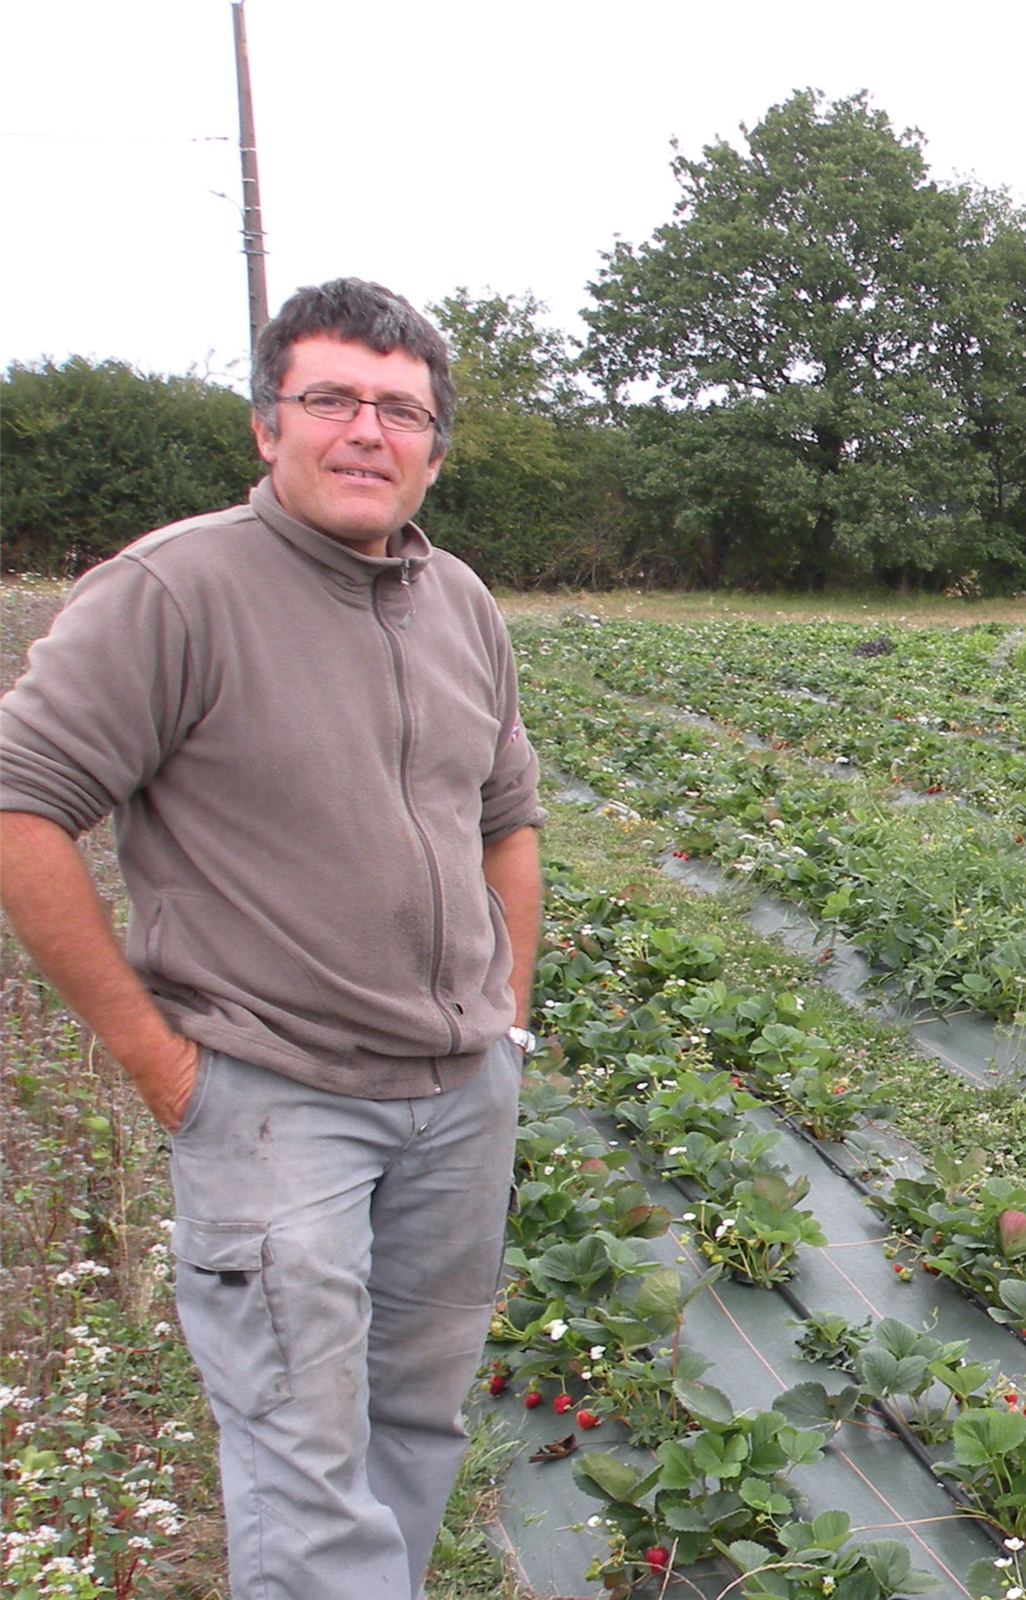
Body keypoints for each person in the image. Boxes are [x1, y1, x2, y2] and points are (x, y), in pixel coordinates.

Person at [0, 278, 544, 1600]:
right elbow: (23, 808)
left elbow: (507, 819)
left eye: (400, 410)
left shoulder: (458, 599)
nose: (367, 432)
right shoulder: (174, 591)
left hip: (457, 1097)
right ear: (267, 426)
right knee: (304, 1466)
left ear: (434, 447)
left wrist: (507, 1023)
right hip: (275, 1104)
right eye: (332, 400)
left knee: (411, 1429)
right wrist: (159, 1063)